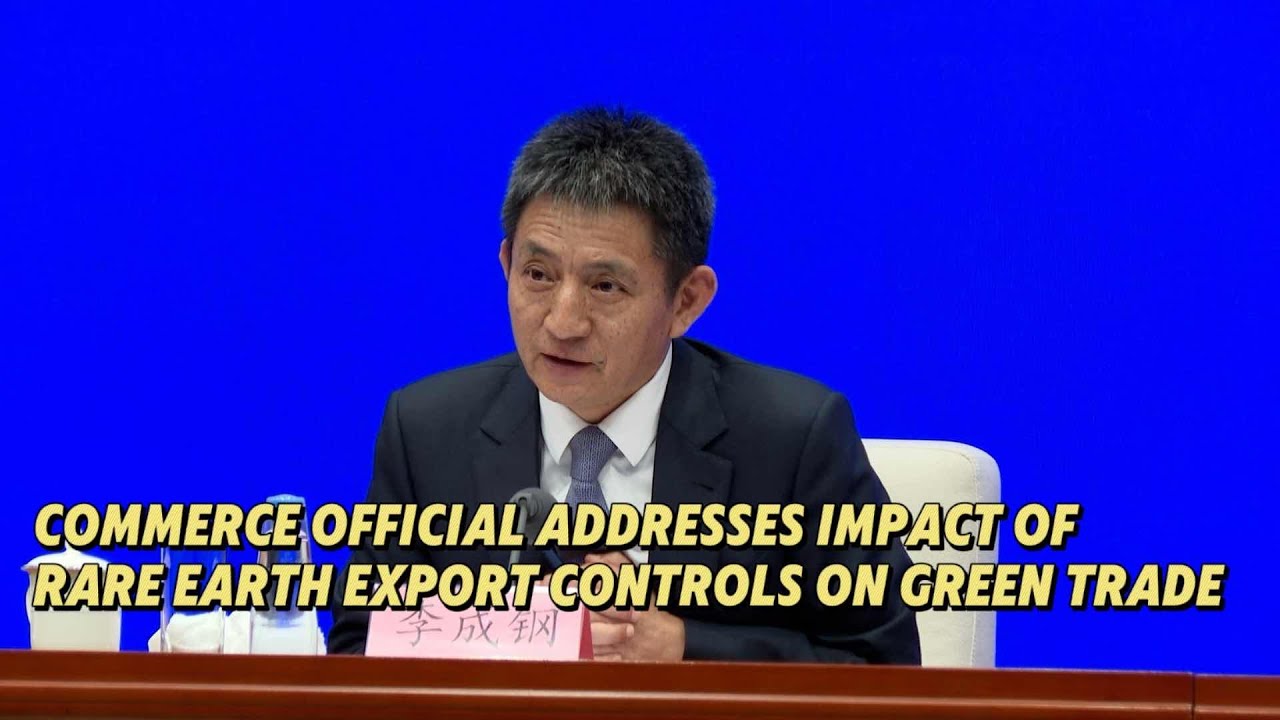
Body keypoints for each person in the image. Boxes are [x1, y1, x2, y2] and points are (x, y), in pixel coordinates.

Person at [328, 107, 921, 663]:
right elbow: (359, 650)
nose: (563, 322)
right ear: (506, 266)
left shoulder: (792, 440)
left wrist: (683, 648)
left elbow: (882, 666)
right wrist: (511, 639)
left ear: (686, 301)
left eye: (605, 287)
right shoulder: (427, 430)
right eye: (537, 275)